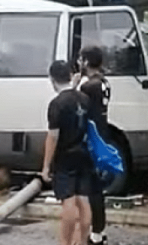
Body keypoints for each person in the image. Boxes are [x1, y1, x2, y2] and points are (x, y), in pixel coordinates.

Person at [41, 61, 96, 245]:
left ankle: (65, 243)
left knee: (69, 203)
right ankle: (81, 241)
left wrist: (46, 166)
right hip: (84, 153)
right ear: (70, 76)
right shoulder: (84, 99)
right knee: (84, 200)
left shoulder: (57, 104)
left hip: (65, 157)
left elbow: (53, 137)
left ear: (52, 79)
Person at [76, 46, 111, 245]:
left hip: (90, 140)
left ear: (87, 62)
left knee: (91, 189)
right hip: (102, 137)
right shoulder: (103, 82)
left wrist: (76, 85)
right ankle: (99, 231)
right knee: (97, 188)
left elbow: (75, 105)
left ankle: (95, 235)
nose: (79, 63)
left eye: (81, 60)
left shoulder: (88, 86)